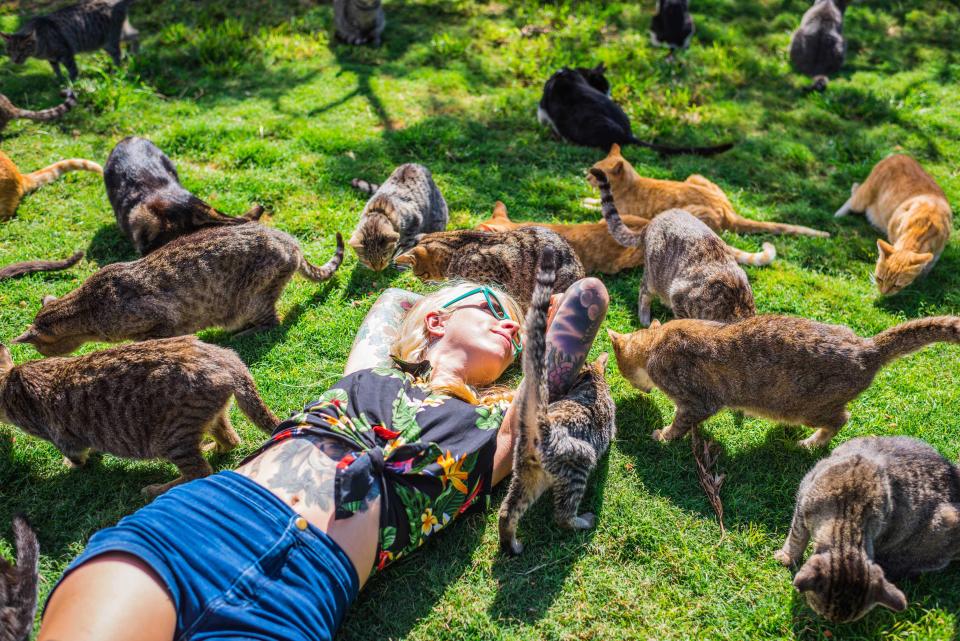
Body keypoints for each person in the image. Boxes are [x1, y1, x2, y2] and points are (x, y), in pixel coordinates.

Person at [38, 277, 609, 641]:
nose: (508, 321)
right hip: (203, 523)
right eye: (489, 309)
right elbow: (394, 301)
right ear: (435, 321)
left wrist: (538, 323)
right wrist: (441, 309)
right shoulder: (370, 370)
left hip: (305, 585)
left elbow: (589, 299)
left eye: (514, 321)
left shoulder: (498, 431)